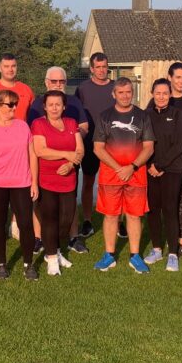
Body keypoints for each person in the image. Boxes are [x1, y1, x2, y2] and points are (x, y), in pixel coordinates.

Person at [92, 77, 155, 273]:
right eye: (121, 92)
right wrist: (119, 167)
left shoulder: (143, 116)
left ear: (132, 92)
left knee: (134, 216)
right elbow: (98, 148)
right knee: (111, 215)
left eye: (128, 92)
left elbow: (149, 147)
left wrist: (132, 167)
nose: (125, 95)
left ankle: (135, 256)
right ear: (114, 94)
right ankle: (109, 255)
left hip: (136, 174)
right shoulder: (105, 116)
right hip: (111, 175)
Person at [0, 89, 39, 281]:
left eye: (15, 104)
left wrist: (34, 182)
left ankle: (28, 264)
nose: (13, 108)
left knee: (26, 224)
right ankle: (2, 264)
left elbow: (32, 155)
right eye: (9, 104)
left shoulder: (22, 126)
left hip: (22, 182)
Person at [26, 66, 88, 254]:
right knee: (42, 204)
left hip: (70, 164)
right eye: (54, 81)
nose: (58, 84)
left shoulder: (75, 102)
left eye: (62, 81)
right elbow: (34, 139)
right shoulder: (37, 105)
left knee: (69, 204)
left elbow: (83, 127)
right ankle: (39, 238)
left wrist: (72, 158)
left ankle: (73, 237)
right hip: (45, 166)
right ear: (46, 82)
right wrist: (64, 152)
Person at [146, 62, 182, 256]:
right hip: (164, 161)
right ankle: (160, 245)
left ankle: (181, 241)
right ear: (170, 78)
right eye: (178, 77)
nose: (181, 81)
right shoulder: (156, 103)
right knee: (164, 203)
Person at [31, 90, 83, 276]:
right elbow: (40, 150)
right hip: (46, 180)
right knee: (50, 220)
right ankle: (52, 257)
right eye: (50, 104)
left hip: (68, 179)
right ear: (44, 107)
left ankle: (56, 250)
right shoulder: (38, 124)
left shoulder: (71, 123)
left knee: (67, 219)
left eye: (58, 104)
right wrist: (65, 154)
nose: (54, 108)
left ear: (64, 106)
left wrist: (70, 164)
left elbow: (80, 150)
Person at [143, 79, 182, 272]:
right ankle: (156, 249)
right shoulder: (145, 116)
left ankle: (173, 253)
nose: (161, 97)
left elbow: (179, 144)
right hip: (150, 169)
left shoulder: (178, 115)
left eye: (165, 93)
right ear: (152, 93)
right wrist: (151, 165)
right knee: (152, 210)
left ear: (170, 94)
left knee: (170, 210)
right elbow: (142, 142)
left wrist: (161, 165)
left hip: (172, 170)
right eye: (158, 93)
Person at [73, 52, 115, 252]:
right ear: (91, 68)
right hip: (90, 142)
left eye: (104, 66)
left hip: (112, 143)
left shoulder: (115, 87)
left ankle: (116, 219)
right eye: (97, 67)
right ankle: (88, 221)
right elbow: (76, 113)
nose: (101, 70)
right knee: (88, 181)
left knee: (112, 183)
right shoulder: (82, 89)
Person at [0, 53, 34, 121]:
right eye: (6, 66)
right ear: (0, 68)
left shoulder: (26, 89)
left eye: (13, 66)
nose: (10, 69)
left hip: (21, 130)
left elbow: (32, 116)